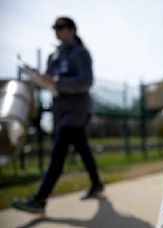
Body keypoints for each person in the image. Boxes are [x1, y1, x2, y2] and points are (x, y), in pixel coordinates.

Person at [12, 16, 104, 214]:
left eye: (61, 27)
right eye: (55, 28)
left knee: (58, 153)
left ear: (72, 30)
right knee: (83, 149)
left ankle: (39, 199)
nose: (57, 31)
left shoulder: (81, 53)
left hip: (77, 110)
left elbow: (86, 82)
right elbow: (50, 83)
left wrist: (57, 82)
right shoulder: (53, 56)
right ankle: (97, 183)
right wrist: (39, 78)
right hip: (60, 110)